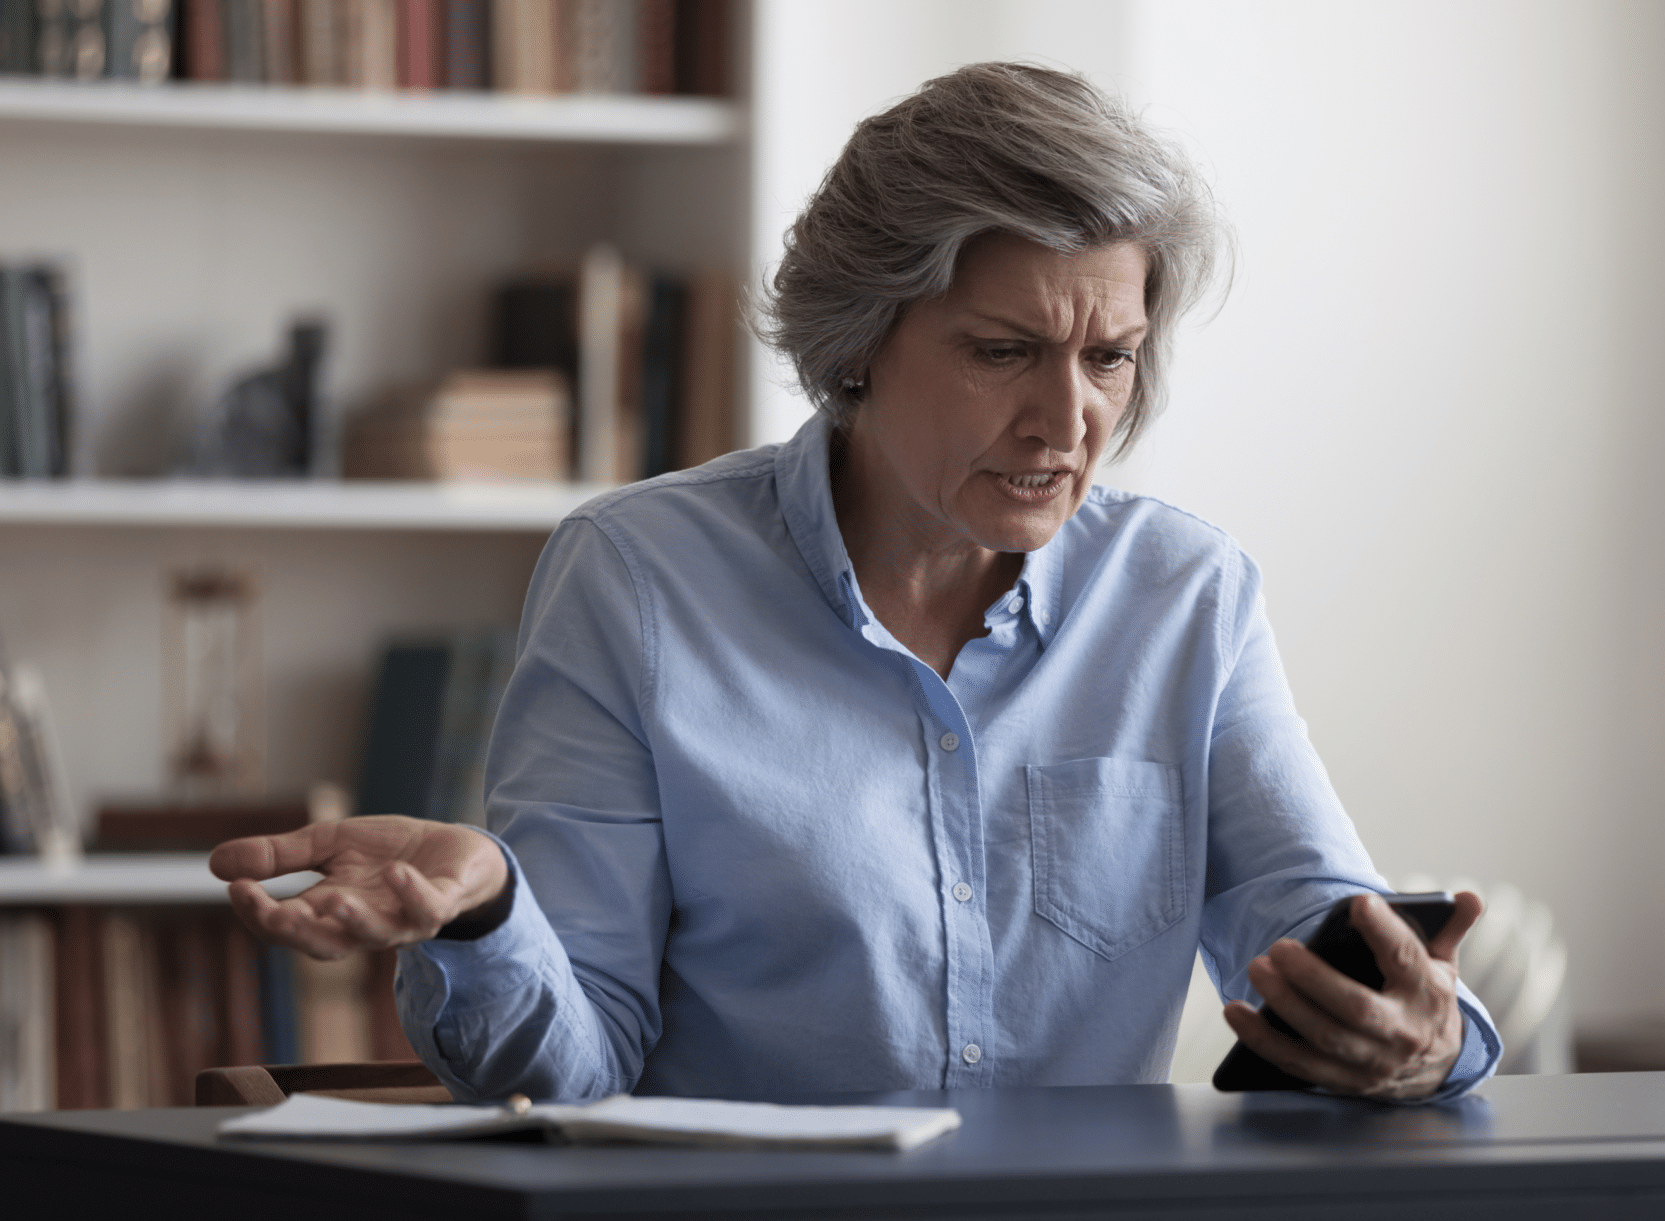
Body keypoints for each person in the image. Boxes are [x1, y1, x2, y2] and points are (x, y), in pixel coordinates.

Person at [211, 63, 1503, 1103]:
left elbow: (1333, 947)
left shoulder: (1187, 599)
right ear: (861, 341)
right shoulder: (640, 580)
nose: (1070, 420)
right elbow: (574, 1067)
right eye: (1005, 351)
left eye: (1110, 357)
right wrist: (489, 914)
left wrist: (1426, 1037)